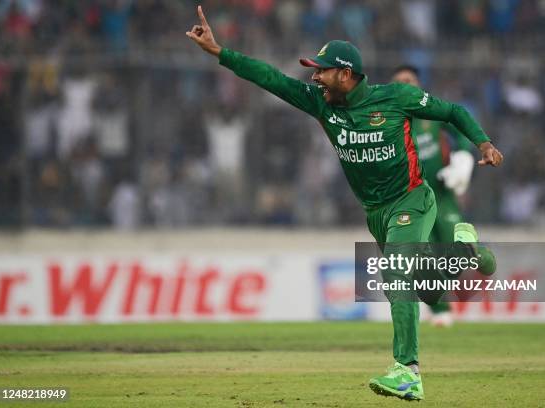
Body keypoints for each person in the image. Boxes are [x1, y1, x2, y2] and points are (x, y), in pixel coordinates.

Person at [186, 5, 503, 401]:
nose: (314, 76)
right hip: (376, 214)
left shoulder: (396, 98)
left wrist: (484, 143)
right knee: (424, 288)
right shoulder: (321, 103)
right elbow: (270, 78)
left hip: (412, 199)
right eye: (313, 69)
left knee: (396, 274)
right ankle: (471, 254)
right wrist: (220, 53)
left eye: (321, 70)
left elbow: (453, 111)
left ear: (347, 74)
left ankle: (408, 371)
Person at [391, 65, 476, 328]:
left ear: (419, 84)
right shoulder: (389, 118)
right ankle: (439, 308)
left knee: (457, 247)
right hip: (412, 198)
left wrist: (463, 157)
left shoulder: (432, 111)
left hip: (442, 192)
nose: (406, 84)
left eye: (410, 80)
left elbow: (460, 130)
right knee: (422, 253)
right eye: (400, 82)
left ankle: (433, 298)